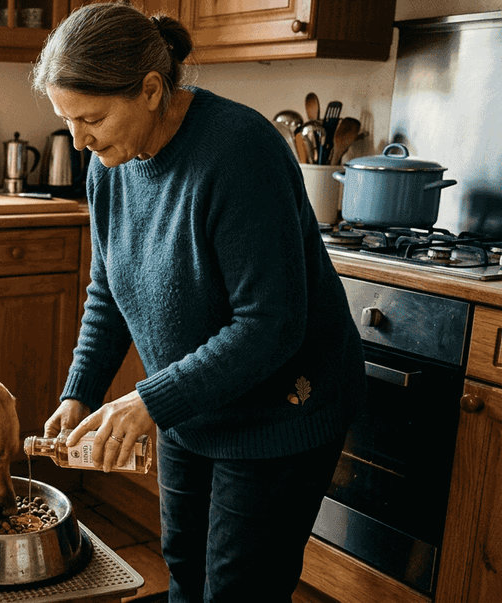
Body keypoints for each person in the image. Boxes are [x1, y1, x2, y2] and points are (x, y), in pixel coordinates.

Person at [31, 2, 366, 602]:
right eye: (67, 120)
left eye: (92, 118)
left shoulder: (239, 151)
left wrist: (149, 401)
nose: (79, 140)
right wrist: (80, 391)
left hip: (279, 413)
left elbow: (271, 324)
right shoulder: (109, 166)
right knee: (185, 571)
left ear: (150, 90)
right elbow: (108, 292)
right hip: (191, 407)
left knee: (239, 589)